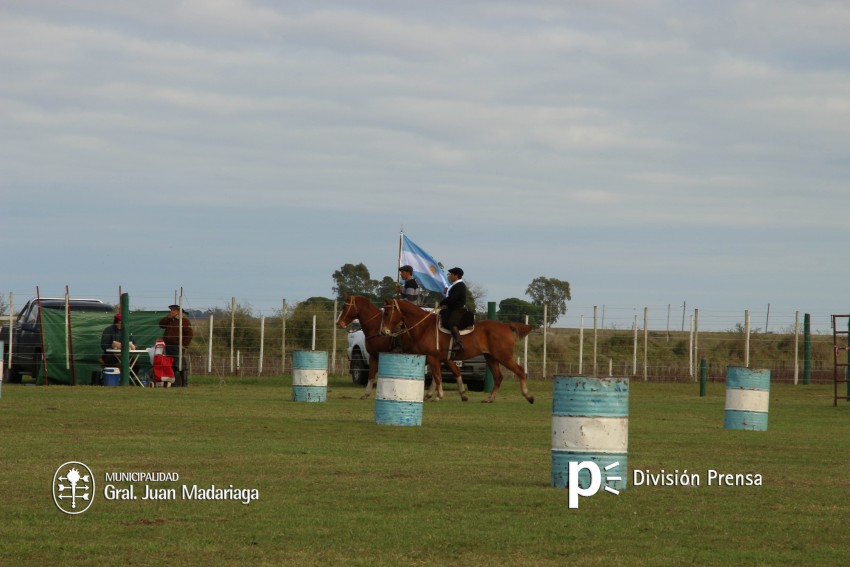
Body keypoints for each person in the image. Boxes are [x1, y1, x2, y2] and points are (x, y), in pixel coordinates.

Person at [159, 304, 193, 387]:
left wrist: (184, 345)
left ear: (178, 311)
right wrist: (168, 318)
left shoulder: (184, 321)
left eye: (173, 310)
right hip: (168, 346)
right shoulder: (170, 320)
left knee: (182, 365)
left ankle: (184, 384)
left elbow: (189, 334)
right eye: (171, 310)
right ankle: (174, 384)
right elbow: (161, 324)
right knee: (172, 366)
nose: (171, 312)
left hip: (178, 346)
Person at [440, 267, 467, 355]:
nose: (450, 276)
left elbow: (452, 299)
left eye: (451, 274)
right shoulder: (455, 285)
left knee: (451, 323)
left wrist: (442, 302)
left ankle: (459, 343)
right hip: (452, 308)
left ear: (456, 275)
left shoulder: (459, 286)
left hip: (457, 309)